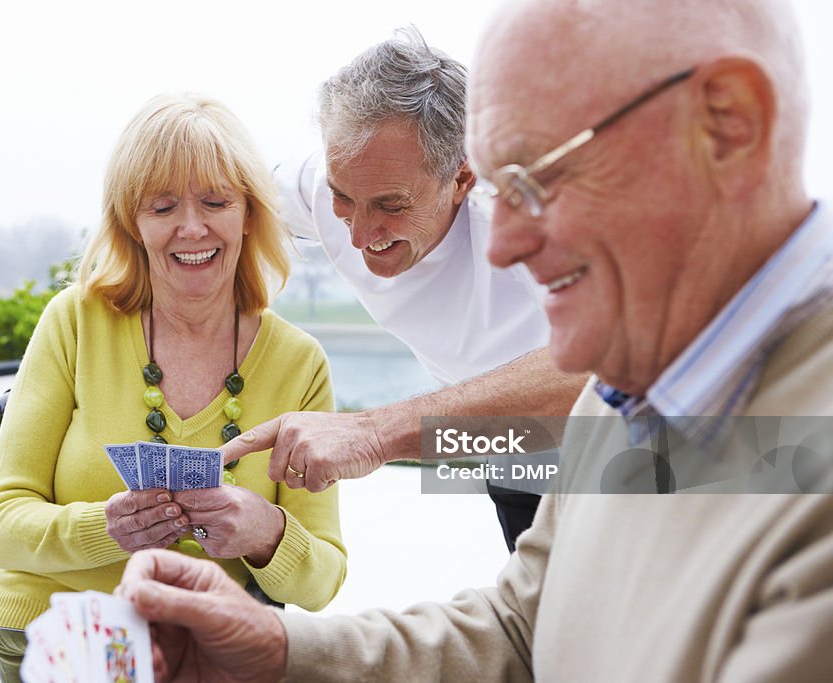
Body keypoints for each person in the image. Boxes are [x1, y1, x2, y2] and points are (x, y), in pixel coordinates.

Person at [117, 1, 833, 680]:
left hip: (524, 431)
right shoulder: (620, 390)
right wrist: (274, 650)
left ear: (729, 125)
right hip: (507, 443)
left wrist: (376, 432)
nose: (508, 246)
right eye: (344, 203)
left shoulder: (744, 434)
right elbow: (522, 628)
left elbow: (568, 383)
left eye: (540, 177)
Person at [0, 93, 347, 630]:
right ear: (132, 224)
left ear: (248, 214)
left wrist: (268, 534)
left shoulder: (299, 363)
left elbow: (323, 581)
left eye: (216, 203)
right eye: (163, 207)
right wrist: (106, 528)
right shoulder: (74, 321)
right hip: (31, 627)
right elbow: (0, 526)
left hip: (192, 648)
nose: (191, 229)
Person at [263, 29, 589, 551]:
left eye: (391, 206)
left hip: (642, 457)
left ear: (462, 178)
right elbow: (208, 194)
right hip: (510, 453)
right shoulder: (334, 180)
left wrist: (373, 433)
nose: (359, 235)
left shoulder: (531, 210)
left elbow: (600, 366)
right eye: (343, 198)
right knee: (541, 625)